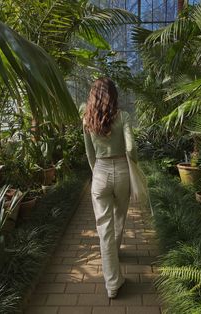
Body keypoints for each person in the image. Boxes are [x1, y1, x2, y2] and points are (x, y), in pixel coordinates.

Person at [83, 77, 137, 298]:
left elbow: (89, 153)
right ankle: (113, 257)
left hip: (100, 172)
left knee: (104, 228)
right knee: (119, 216)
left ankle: (112, 282)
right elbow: (131, 147)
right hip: (122, 171)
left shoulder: (87, 119)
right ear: (113, 95)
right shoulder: (123, 116)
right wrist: (132, 163)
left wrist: (96, 171)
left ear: (93, 96)